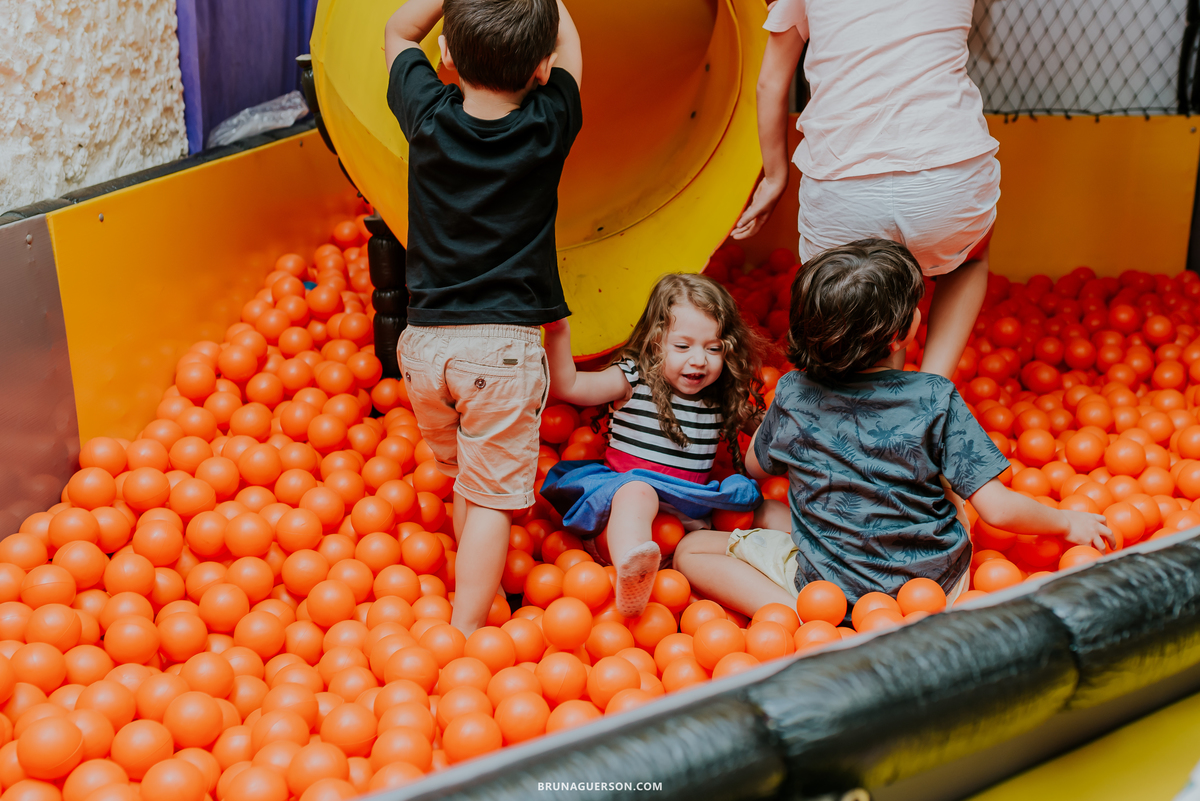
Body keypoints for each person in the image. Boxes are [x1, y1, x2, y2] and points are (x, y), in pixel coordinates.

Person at [674, 240, 1114, 616]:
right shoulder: (934, 398)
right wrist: (1065, 523)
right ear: (901, 334)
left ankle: (797, 616)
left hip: (829, 590)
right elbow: (997, 510)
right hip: (934, 586)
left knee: (690, 550)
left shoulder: (793, 392)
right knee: (940, 481)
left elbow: (756, 469)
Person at [383, 0, 583, 636]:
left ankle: (470, 589)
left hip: (423, 350)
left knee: (468, 477)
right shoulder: (549, 122)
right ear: (542, 68)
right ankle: (464, 632)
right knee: (493, 496)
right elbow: (572, 55)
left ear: (445, 59)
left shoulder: (427, 114)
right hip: (500, 353)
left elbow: (396, 29)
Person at [729, 0, 1001, 380]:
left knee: (854, 288)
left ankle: (870, 394)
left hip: (842, 189)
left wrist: (775, 177)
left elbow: (770, 82)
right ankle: (934, 388)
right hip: (945, 179)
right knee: (970, 259)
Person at [540, 274, 767, 616]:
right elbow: (567, 385)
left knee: (760, 507)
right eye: (683, 346)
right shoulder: (633, 377)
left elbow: (769, 429)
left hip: (686, 522)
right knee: (640, 491)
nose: (699, 360)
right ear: (657, 341)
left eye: (713, 347)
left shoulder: (720, 398)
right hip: (618, 515)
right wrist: (557, 333)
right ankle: (633, 568)